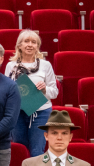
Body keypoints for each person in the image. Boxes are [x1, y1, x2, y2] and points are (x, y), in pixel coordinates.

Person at [5, 30, 58, 158]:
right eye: (26, 41)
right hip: (18, 113)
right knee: (20, 149)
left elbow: (55, 92)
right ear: (19, 45)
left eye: (33, 42)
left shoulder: (45, 65)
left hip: (41, 112)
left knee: (36, 151)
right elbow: (5, 91)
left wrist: (45, 89)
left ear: (37, 46)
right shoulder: (11, 66)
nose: (30, 45)